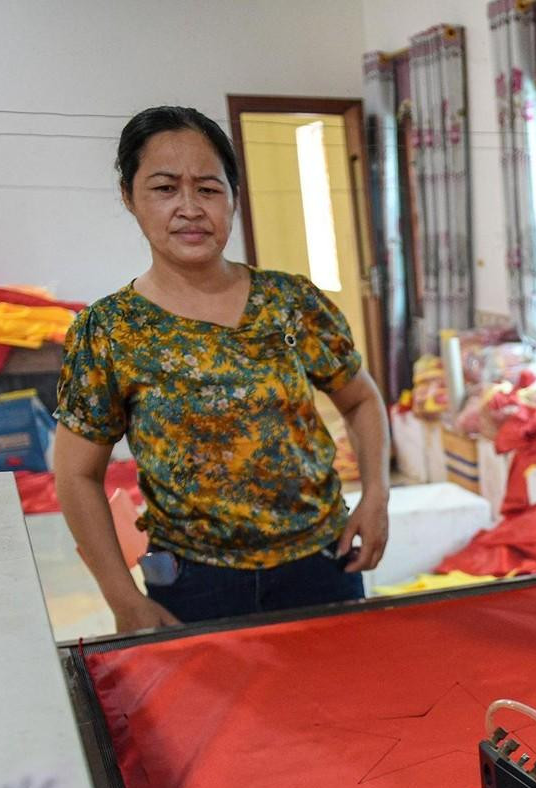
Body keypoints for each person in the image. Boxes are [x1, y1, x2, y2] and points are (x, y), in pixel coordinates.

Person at [52, 105, 389, 631]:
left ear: (234, 196)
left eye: (208, 188)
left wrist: (376, 495)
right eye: (165, 188)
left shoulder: (290, 300)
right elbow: (77, 474)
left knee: (343, 705)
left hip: (321, 562)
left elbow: (361, 399)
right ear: (129, 197)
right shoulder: (109, 330)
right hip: (196, 582)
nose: (190, 208)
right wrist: (124, 599)